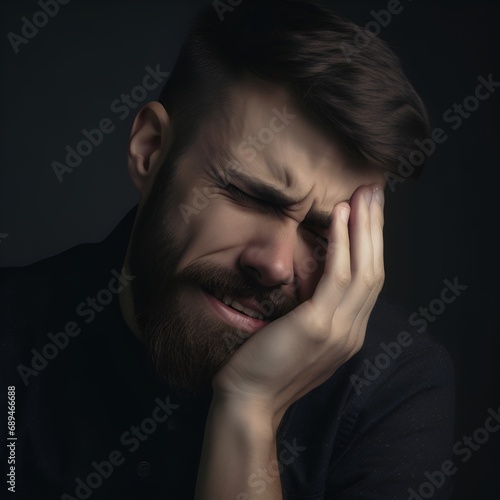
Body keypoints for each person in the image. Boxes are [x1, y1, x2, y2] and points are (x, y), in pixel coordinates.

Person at [1, 0, 455, 498]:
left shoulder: (395, 389)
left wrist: (249, 408)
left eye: (323, 233)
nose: (276, 264)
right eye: (249, 196)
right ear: (150, 150)